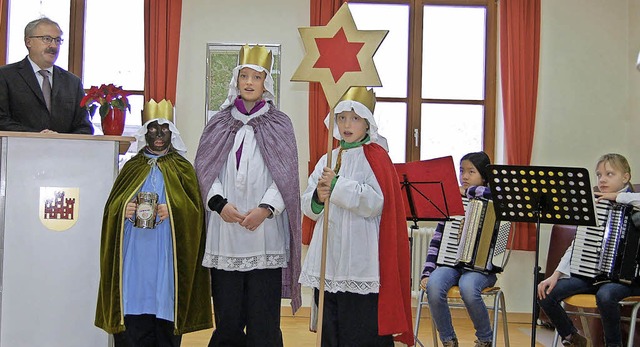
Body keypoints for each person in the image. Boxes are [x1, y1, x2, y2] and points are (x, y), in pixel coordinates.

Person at [193, 44, 301, 347]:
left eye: (256, 76)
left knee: (263, 320)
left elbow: (287, 175)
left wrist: (265, 209)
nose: (250, 82)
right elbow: (204, 169)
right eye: (244, 76)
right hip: (224, 232)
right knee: (227, 319)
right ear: (236, 80)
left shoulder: (280, 124)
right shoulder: (218, 122)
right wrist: (219, 204)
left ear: (266, 82)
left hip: (264, 232)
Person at [298, 87, 414, 346]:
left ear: (367, 123)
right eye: (341, 118)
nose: (347, 124)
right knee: (331, 327)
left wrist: (338, 186)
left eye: (354, 118)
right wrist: (318, 196)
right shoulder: (327, 158)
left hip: (360, 255)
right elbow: (308, 206)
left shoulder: (375, 157)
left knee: (359, 328)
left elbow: (374, 203)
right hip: (328, 256)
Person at [95, 112, 213, 346]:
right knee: (133, 321)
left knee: (165, 312)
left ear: (172, 134)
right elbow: (112, 208)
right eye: (153, 130)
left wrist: (174, 209)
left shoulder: (182, 168)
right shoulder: (132, 167)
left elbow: (195, 211)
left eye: (164, 131)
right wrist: (123, 209)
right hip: (135, 255)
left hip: (167, 255)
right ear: (144, 134)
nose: (159, 136)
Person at [538, 153, 640, 347]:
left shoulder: (634, 203)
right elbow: (577, 245)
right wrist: (555, 275)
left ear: (625, 177)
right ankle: (572, 337)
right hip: (592, 276)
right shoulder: (595, 206)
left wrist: (618, 197)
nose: (602, 179)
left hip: (628, 280)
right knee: (546, 293)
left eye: (610, 174)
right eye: (599, 175)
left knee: (606, 295)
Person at [419, 151, 497, 347]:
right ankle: (448, 340)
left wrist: (467, 192)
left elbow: (496, 193)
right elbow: (437, 239)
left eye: (471, 172)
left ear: (484, 176)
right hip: (450, 264)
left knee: (468, 288)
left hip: (481, 268)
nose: (464, 177)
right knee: (434, 286)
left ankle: (485, 339)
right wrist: (427, 271)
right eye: (462, 171)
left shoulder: (495, 199)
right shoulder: (452, 199)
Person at [0, 17, 93, 134]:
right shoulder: (5, 76)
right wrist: (38, 137)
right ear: (28, 42)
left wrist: (60, 141)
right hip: (18, 149)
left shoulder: (73, 82)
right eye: (47, 39)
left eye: (57, 40)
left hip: (63, 150)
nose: (53, 46)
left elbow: (84, 127)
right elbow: (2, 120)